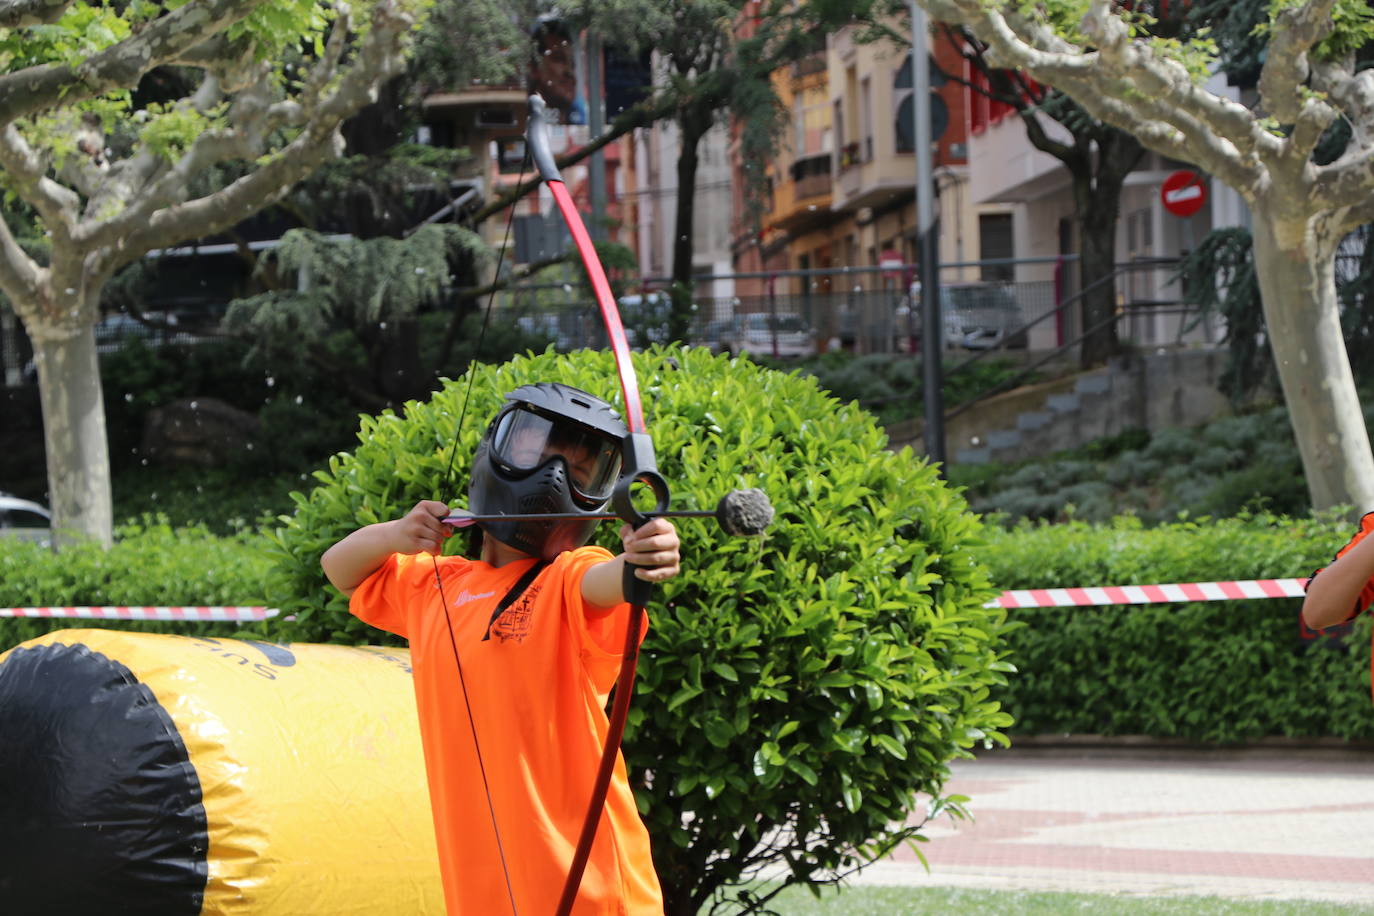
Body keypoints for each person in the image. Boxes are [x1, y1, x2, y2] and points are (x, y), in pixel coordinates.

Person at [321, 382, 679, 915]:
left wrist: (647, 554)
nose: (552, 481)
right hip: (485, 884)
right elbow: (339, 568)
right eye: (537, 455)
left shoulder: (567, 580)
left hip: (590, 886)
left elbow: (615, 579)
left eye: (579, 477)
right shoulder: (436, 586)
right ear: (494, 453)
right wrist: (397, 533)